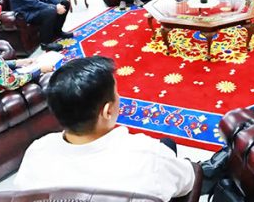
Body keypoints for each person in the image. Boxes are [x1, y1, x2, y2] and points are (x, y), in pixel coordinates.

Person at [14, 56, 195, 201]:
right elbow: (188, 182)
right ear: (107, 111)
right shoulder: (148, 154)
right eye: (116, 93)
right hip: (162, 166)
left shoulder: (36, 152)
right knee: (168, 146)